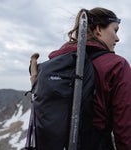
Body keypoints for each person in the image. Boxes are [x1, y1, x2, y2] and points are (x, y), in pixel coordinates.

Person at [48, 7, 131, 150]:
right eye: (115, 30)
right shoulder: (116, 65)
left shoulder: (56, 63)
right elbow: (125, 128)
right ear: (98, 29)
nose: (117, 38)